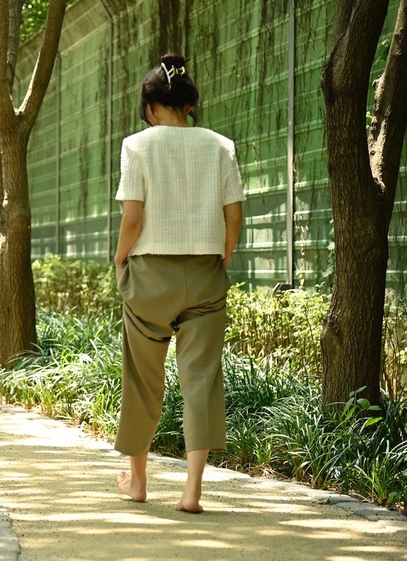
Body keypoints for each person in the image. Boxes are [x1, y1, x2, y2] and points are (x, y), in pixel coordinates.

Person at [112, 53, 245, 513]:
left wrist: (120, 260)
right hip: (206, 272)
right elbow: (234, 215)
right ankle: (191, 491)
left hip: (150, 276)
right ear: (190, 105)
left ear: (150, 106)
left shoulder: (137, 146)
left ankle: (139, 482)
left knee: (142, 380)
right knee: (202, 382)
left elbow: (132, 218)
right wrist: (221, 258)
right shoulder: (220, 145)